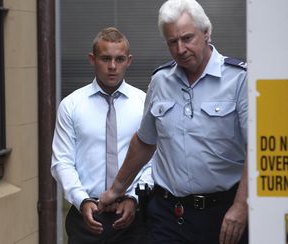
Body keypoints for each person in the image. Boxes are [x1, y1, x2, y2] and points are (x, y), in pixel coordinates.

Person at [98, 1, 248, 244]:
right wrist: (116, 190)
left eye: (187, 38)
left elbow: (256, 149)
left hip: (221, 215)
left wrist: (242, 206)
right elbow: (145, 142)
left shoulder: (239, 79)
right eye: (172, 42)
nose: (180, 49)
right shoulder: (160, 81)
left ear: (206, 32)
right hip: (168, 215)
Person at [51, 27, 153, 244]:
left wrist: (134, 198)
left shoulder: (143, 103)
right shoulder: (71, 106)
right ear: (92, 59)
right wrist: (82, 201)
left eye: (119, 59)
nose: (112, 66)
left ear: (129, 60)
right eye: (105, 58)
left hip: (133, 219)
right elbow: (62, 162)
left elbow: (154, 160)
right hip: (86, 217)